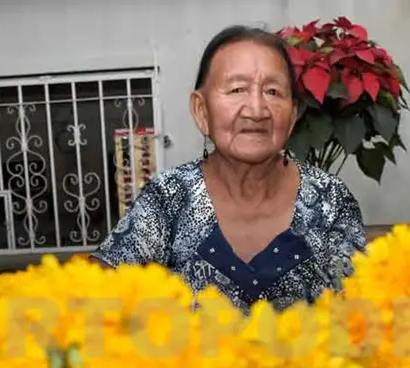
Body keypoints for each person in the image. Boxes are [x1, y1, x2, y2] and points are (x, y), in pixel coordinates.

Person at [91, 25, 367, 312]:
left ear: (293, 114)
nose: (257, 109)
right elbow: (100, 289)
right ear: (201, 110)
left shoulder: (329, 199)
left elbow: (361, 311)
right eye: (237, 89)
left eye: (273, 91)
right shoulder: (169, 197)